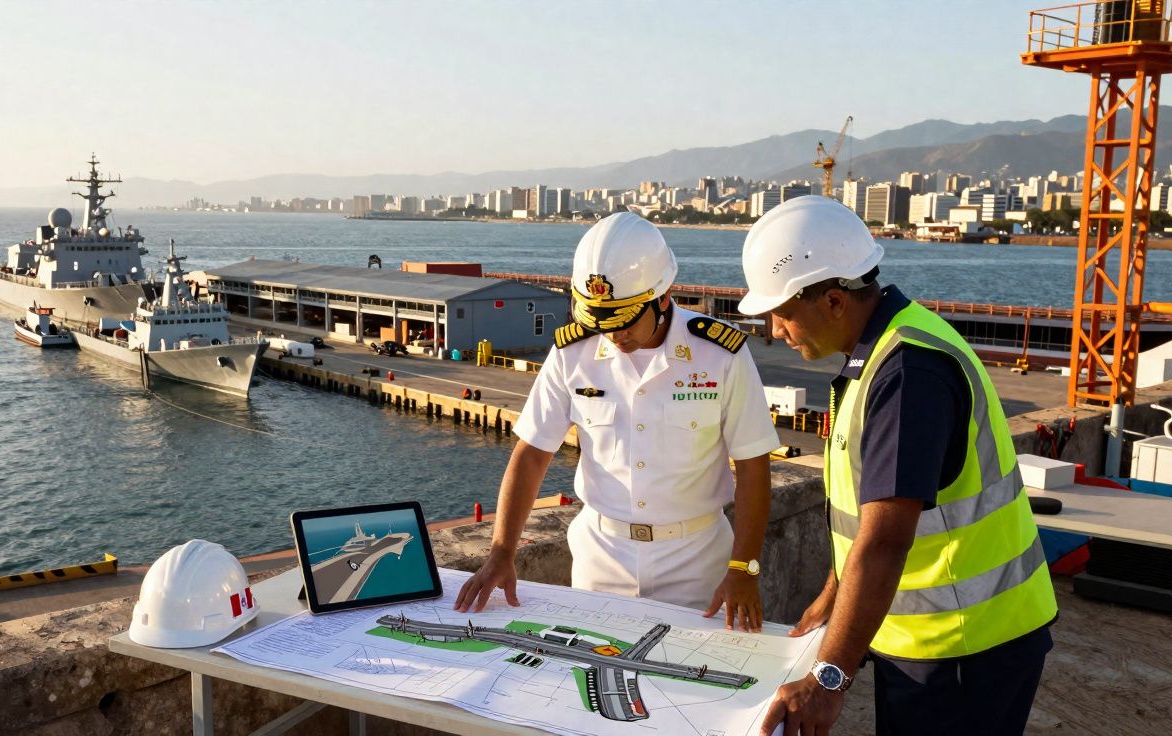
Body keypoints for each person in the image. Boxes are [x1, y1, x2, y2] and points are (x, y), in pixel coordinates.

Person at [741, 197, 1058, 736]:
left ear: (836, 302)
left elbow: (885, 540)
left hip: (964, 647)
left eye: (782, 312)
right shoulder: (884, 352)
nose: (774, 331)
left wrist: (827, 679)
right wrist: (833, 594)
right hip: (936, 640)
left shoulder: (909, 373)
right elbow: (866, 516)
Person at [453, 212, 780, 630]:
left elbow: (753, 465)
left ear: (662, 297)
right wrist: (501, 551)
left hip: (697, 563)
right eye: (599, 322)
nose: (613, 335)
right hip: (601, 560)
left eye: (624, 322)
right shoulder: (572, 354)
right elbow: (533, 452)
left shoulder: (720, 354)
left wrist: (744, 568)